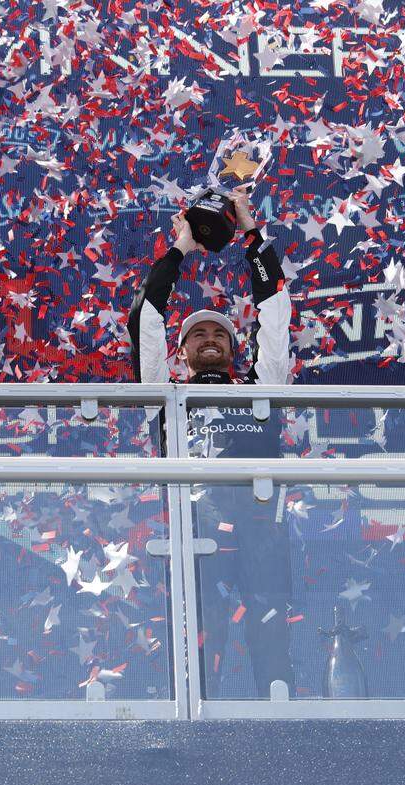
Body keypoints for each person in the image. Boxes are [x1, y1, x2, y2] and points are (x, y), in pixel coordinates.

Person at [127, 187, 295, 698]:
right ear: (180, 353)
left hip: (264, 530)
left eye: (219, 335)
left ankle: (280, 729)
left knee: (271, 639)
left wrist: (252, 234)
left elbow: (277, 314)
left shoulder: (263, 385)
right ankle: (200, 731)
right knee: (202, 641)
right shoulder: (165, 394)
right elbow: (145, 321)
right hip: (195, 534)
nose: (209, 339)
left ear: (233, 348)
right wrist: (182, 247)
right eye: (197, 335)